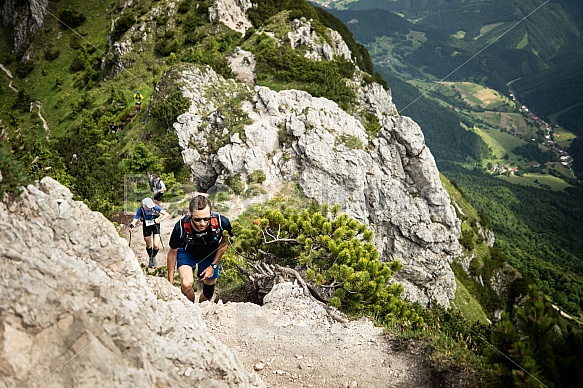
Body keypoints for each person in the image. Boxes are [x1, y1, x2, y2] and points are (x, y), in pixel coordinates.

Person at [167, 195, 232, 302]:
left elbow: (224, 243)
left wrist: (213, 265)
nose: (202, 223)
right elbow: (172, 252)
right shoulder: (181, 226)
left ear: (211, 213)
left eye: (206, 218)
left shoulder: (222, 223)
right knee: (186, 284)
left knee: (208, 294)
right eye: (197, 219)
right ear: (190, 214)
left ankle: (201, 310)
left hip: (210, 254)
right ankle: (190, 308)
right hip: (187, 252)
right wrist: (170, 281)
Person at [129, 197, 170, 269]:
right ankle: (151, 258)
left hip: (155, 225)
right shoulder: (141, 209)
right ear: (144, 205)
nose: (149, 208)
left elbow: (166, 214)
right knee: (148, 245)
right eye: (148, 207)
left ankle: (153, 257)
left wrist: (160, 219)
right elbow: (135, 219)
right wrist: (132, 226)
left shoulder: (155, 207)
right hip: (146, 227)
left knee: (156, 245)